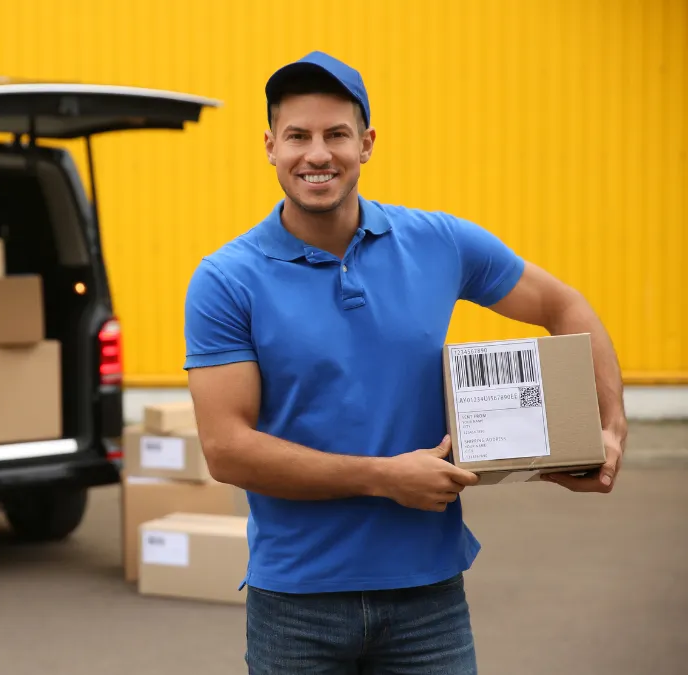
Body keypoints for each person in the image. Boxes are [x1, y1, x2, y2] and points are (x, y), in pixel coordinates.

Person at [182, 50, 628, 674]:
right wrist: (382, 476)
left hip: (429, 599)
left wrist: (607, 425)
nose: (317, 154)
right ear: (270, 146)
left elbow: (563, 304)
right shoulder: (226, 280)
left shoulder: (438, 242)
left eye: (336, 134)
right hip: (296, 606)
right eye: (297, 136)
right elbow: (227, 449)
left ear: (365, 144)